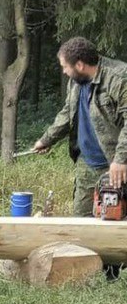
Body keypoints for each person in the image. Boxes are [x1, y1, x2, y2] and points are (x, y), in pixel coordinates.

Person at [31, 37, 127, 280]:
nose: (64, 72)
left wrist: (121, 159)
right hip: (86, 162)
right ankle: (97, 275)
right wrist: (47, 139)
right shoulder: (78, 82)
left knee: (118, 218)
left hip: (116, 163)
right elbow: (67, 113)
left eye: (65, 67)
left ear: (80, 64)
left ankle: (116, 273)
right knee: (82, 221)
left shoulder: (119, 77)